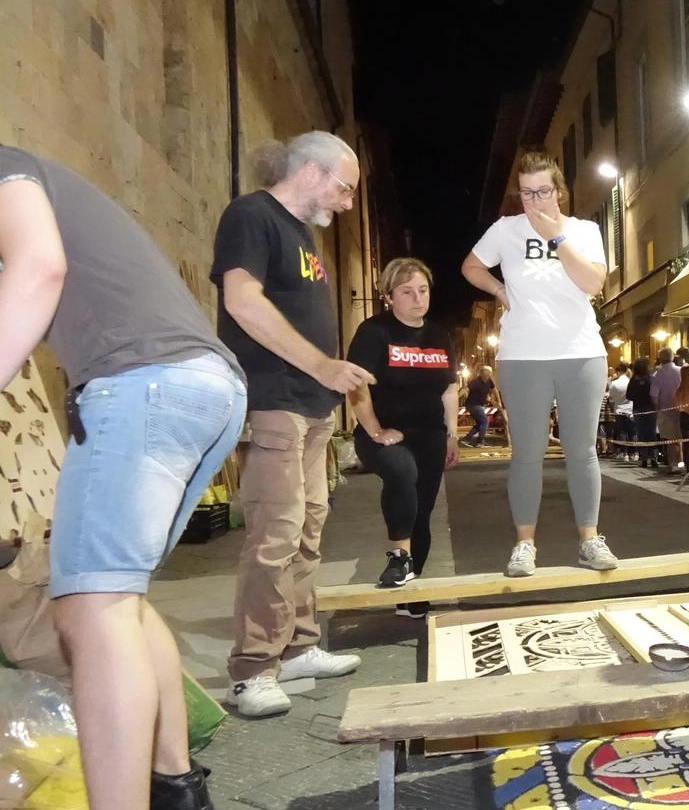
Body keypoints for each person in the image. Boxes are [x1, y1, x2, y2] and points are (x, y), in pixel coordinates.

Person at [1, 145, 247, 809]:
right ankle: (177, 788)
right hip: (202, 388)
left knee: (90, 613)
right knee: (120, 602)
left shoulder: (3, 167)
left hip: (144, 386)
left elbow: (39, 268)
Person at [213, 132, 369, 718]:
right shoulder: (252, 215)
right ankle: (253, 668)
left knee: (307, 528)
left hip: (312, 404)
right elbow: (243, 301)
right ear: (311, 170)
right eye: (344, 187)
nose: (348, 202)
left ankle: (298, 644)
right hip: (274, 398)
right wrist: (322, 364)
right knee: (275, 533)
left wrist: (328, 380)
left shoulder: (304, 237)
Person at [461, 151, 617, 578]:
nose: (534, 201)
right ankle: (524, 544)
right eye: (526, 193)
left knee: (581, 450)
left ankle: (590, 539)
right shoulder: (505, 230)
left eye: (542, 191)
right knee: (526, 454)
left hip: (581, 351)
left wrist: (556, 238)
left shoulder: (584, 231)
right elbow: (471, 266)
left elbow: (592, 283)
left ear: (559, 191)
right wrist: (497, 289)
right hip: (523, 355)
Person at [345, 258, 460, 618]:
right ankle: (399, 557)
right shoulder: (374, 331)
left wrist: (453, 434)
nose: (417, 298)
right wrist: (374, 428)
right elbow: (356, 384)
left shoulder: (439, 336)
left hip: (430, 434)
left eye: (422, 290)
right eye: (407, 292)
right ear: (389, 296)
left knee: (423, 511)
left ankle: (412, 590)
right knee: (401, 473)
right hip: (383, 433)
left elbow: (449, 389)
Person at [652, 348, 684, 470]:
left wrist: (657, 409)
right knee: (681, 439)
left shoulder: (657, 374)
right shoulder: (681, 371)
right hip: (682, 410)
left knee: (670, 441)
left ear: (661, 359)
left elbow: (654, 396)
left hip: (665, 412)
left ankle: (673, 464)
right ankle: (682, 463)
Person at [628, 357, 659, 468]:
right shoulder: (651, 379)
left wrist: (637, 397)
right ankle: (654, 457)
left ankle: (644, 458)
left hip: (638, 409)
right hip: (651, 409)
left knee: (641, 434)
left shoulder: (633, 380)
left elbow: (629, 395)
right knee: (651, 433)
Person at [460, 365, 496, 447]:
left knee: (480, 423)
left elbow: (494, 389)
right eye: (485, 375)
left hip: (479, 405)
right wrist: (456, 396)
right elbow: (466, 389)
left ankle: (466, 439)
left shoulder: (489, 381)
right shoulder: (475, 382)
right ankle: (480, 441)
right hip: (472, 405)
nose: (486, 377)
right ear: (481, 374)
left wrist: (499, 401)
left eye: (488, 375)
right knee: (485, 421)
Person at [607, 362, 636, 461]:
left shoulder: (614, 383)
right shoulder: (630, 382)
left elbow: (611, 399)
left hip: (619, 410)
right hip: (631, 409)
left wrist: (613, 407)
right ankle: (634, 453)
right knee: (632, 432)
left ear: (618, 372)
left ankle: (625, 453)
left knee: (622, 432)